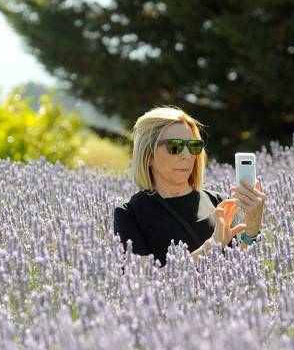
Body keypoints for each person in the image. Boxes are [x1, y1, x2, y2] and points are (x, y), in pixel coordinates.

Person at [113, 106, 267, 266]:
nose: (187, 155)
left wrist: (252, 228)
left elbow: (243, 271)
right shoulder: (130, 213)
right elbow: (142, 280)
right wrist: (211, 247)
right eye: (175, 147)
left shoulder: (221, 202)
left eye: (194, 146)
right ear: (149, 155)